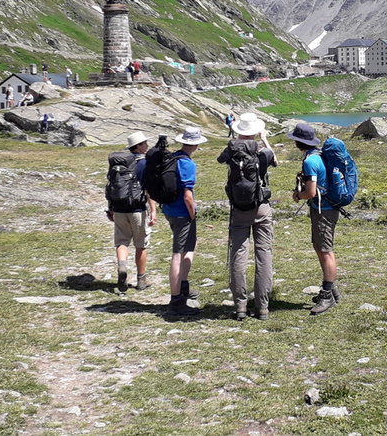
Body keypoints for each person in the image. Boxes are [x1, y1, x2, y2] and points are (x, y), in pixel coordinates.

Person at [216, 113, 277, 320]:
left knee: (238, 254)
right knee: (264, 254)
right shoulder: (262, 152)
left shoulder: (231, 150)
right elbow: (275, 161)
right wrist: (264, 139)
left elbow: (220, 160)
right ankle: (262, 307)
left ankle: (240, 306)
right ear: (256, 131)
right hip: (260, 207)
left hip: (238, 209)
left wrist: (235, 137)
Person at [143, 127, 208, 316]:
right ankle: (176, 300)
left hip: (169, 210)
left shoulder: (173, 157)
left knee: (187, 248)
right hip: (182, 213)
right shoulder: (187, 164)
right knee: (178, 254)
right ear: (195, 144)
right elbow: (188, 195)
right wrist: (192, 213)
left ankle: (183, 287)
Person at [290, 123, 341, 315]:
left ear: (298, 142)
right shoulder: (318, 156)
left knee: (325, 250)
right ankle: (332, 289)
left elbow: (311, 192)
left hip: (323, 210)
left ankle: (327, 295)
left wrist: (297, 196)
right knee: (322, 248)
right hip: (328, 208)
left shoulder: (310, 161)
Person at [107, 132, 158, 292]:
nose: (147, 146)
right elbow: (149, 189)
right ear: (138, 146)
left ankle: (122, 266)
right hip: (137, 209)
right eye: (144, 143)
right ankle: (141, 279)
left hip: (119, 208)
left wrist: (111, 208)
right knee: (141, 245)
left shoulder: (119, 164)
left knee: (122, 241)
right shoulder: (144, 163)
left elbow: (112, 186)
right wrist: (153, 209)